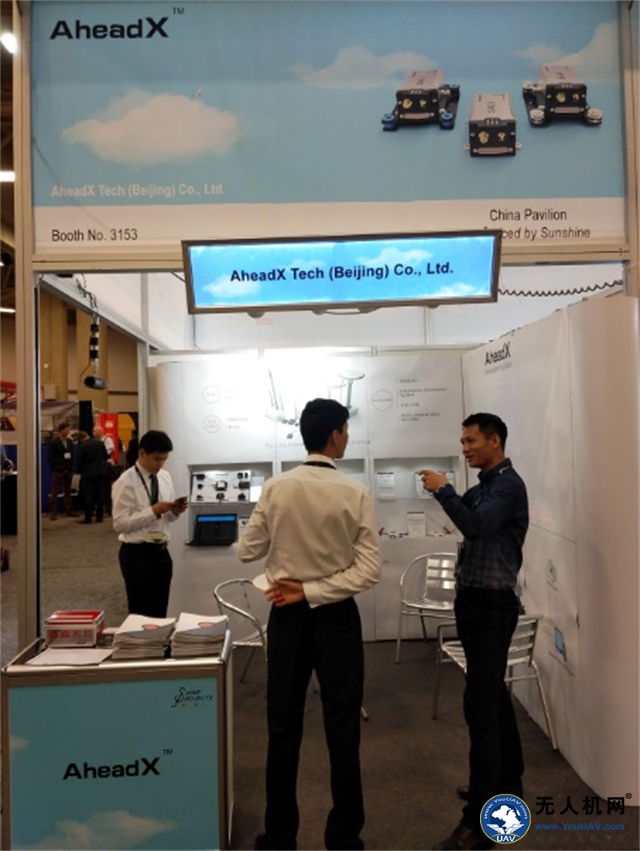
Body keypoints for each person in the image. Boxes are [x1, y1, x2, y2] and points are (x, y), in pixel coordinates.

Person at [238, 398, 381, 851]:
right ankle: (344, 837)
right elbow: (369, 570)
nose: (347, 437)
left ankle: (280, 836)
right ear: (336, 434)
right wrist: (317, 589)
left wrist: (298, 582)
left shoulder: (276, 487)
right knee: (343, 728)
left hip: (287, 615)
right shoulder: (355, 492)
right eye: (346, 430)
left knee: (282, 728)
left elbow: (246, 550)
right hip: (338, 618)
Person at [420, 413, 529, 851]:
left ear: (494, 441)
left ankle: (480, 822)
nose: (464, 448)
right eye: (462, 441)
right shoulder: (485, 485)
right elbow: (467, 515)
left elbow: (476, 527)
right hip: (474, 605)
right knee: (493, 696)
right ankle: (507, 782)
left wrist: (443, 490)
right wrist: (447, 493)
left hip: (491, 609)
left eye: (470, 441)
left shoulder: (507, 486)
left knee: (480, 708)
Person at [111, 429, 187, 617]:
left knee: (160, 611)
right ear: (142, 453)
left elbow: (166, 518)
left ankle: (160, 637)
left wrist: (174, 511)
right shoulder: (125, 482)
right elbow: (119, 524)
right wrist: (153, 511)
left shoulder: (164, 477)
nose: (160, 464)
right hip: (137, 555)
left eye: (164, 459)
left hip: (161, 552)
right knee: (141, 614)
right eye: (156, 459)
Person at [76, 430, 108, 524]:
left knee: (89, 495)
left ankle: (88, 517)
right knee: (100, 494)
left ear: (81, 439)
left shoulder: (83, 446)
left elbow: (80, 461)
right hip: (100, 473)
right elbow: (105, 457)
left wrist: (78, 471)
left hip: (88, 474)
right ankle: (99, 516)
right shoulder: (100, 443)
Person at [47, 421, 77, 520]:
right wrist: (57, 469)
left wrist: (70, 467)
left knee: (67, 491)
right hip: (58, 470)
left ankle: (68, 510)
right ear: (61, 430)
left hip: (68, 469)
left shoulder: (69, 441)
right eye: (67, 429)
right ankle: (53, 512)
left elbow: (71, 455)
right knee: (55, 491)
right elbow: (51, 458)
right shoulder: (54, 442)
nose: (69, 431)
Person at [93, 425, 115, 515]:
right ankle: (99, 508)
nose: (93, 433)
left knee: (106, 488)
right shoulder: (94, 441)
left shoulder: (107, 440)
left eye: (95, 431)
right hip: (97, 467)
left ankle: (108, 508)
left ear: (100, 432)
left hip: (105, 467)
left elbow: (109, 451)